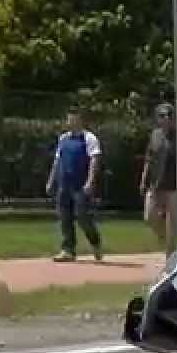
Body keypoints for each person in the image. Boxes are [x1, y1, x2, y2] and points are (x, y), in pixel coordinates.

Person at [45, 106, 103, 262]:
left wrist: (90, 181)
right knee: (64, 217)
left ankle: (95, 242)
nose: (70, 122)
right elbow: (57, 161)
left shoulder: (89, 138)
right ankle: (68, 249)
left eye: (74, 119)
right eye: (69, 119)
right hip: (64, 184)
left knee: (83, 217)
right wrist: (51, 180)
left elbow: (94, 159)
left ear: (81, 120)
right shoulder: (63, 138)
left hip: (80, 184)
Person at [140, 103, 177, 256]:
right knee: (149, 217)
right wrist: (143, 179)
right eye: (163, 116)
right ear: (157, 118)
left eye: (169, 115)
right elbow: (148, 159)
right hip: (155, 184)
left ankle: (171, 256)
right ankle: (163, 236)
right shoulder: (154, 135)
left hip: (175, 185)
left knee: (174, 223)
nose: (167, 118)